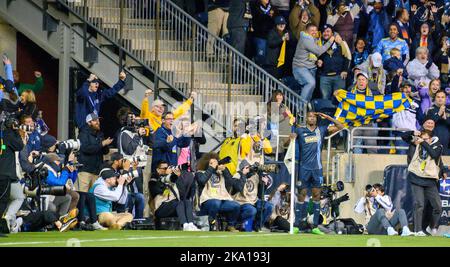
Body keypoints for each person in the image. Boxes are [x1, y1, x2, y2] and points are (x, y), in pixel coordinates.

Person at [292, 111, 343, 235]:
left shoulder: (322, 129)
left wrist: (328, 117)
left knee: (316, 196)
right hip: (303, 168)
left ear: (316, 119)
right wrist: (291, 139)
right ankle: (297, 225)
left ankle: (315, 226)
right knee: (301, 195)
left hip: (317, 169)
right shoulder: (300, 130)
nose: (311, 118)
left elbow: (341, 127)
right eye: (309, 116)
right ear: (306, 118)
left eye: (314, 117)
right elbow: (287, 143)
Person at [76, 113, 111, 231]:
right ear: (89, 122)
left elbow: (104, 151)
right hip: (85, 169)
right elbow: (86, 149)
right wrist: (101, 144)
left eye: (98, 120)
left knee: (91, 197)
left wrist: (105, 145)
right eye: (95, 120)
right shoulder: (83, 134)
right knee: (82, 195)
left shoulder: (99, 134)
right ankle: (80, 221)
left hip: (95, 170)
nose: (98, 122)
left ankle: (93, 221)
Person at [406, 129, 443, 236]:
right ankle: (418, 230)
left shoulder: (438, 145)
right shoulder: (417, 143)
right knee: (419, 205)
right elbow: (404, 137)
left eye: (426, 139)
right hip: (416, 177)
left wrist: (423, 142)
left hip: (430, 179)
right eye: (422, 138)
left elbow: (434, 155)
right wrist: (413, 133)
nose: (423, 140)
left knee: (438, 206)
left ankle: (432, 226)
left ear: (431, 139)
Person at [195, 152, 241, 232]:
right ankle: (211, 223)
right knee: (216, 203)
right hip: (206, 201)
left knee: (236, 205)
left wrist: (225, 170)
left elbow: (231, 183)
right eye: (212, 163)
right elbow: (202, 181)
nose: (216, 164)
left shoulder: (221, 173)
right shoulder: (200, 173)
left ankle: (230, 225)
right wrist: (211, 168)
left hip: (221, 200)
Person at [292, 23, 338, 101]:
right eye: (312, 30)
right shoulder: (306, 39)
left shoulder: (314, 39)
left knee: (310, 89)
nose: (314, 32)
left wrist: (317, 61)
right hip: (301, 67)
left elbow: (311, 54)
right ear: (306, 31)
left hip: (311, 68)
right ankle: (300, 107)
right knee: (311, 83)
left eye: (315, 30)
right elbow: (319, 51)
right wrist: (331, 40)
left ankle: (305, 108)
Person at [149, 160, 199, 231]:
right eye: (165, 168)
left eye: (168, 168)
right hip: (160, 209)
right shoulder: (153, 180)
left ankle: (190, 224)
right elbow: (156, 191)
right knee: (178, 203)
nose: (167, 170)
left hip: (174, 206)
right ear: (158, 170)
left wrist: (178, 177)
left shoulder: (172, 179)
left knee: (186, 202)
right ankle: (184, 225)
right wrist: (166, 177)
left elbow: (182, 195)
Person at [343, 72, 381, 154]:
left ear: (367, 82)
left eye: (363, 80)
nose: (361, 82)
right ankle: (347, 165)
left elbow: (381, 105)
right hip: (354, 123)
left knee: (372, 148)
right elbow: (341, 104)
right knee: (349, 147)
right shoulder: (350, 92)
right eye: (359, 79)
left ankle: (374, 166)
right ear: (356, 81)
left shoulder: (374, 93)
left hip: (368, 123)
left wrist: (379, 116)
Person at [232, 160, 273, 232]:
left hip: (254, 200)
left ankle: (257, 226)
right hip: (241, 201)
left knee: (269, 206)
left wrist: (264, 185)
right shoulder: (237, 175)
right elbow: (239, 188)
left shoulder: (256, 176)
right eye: (248, 167)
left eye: (251, 167)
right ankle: (239, 224)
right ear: (243, 168)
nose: (250, 169)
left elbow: (260, 195)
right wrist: (243, 174)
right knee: (251, 210)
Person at [0, 116, 24, 234]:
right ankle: (5, 220)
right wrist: (17, 132)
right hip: (4, 174)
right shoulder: (9, 135)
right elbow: (20, 146)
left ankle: (7, 220)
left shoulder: (4, 135)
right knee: (2, 200)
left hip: (6, 173)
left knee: (14, 197)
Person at [317, 24, 351, 100]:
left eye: (328, 31)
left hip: (339, 76)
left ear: (332, 33)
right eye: (324, 32)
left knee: (339, 99)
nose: (325, 33)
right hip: (324, 76)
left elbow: (348, 56)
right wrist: (318, 61)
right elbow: (315, 57)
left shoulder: (340, 42)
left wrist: (345, 70)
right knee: (325, 99)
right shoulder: (319, 43)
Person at [44, 153, 80, 218]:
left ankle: (62, 219)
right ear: (51, 162)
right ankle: (55, 221)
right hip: (45, 197)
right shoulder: (46, 171)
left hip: (52, 195)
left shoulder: (54, 170)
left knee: (68, 197)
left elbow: (71, 180)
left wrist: (74, 171)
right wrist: (65, 171)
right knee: (53, 207)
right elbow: (60, 183)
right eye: (57, 161)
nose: (59, 163)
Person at [391, 79, 420, 154]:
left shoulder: (415, 103)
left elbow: (421, 118)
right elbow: (393, 88)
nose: (408, 89)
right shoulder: (396, 100)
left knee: (413, 158)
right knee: (401, 156)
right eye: (405, 87)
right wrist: (397, 77)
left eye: (409, 87)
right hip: (400, 134)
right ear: (401, 89)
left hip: (413, 134)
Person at [250, 0, 275, 66]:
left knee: (267, 59)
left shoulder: (272, 8)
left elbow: (274, 20)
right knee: (260, 57)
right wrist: (267, 17)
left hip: (269, 37)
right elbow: (256, 19)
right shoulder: (255, 6)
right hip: (259, 36)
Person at [426, 90, 450, 155]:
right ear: (435, 98)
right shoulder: (430, 110)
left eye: (442, 97)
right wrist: (439, 114)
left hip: (447, 144)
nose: (440, 99)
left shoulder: (449, 111)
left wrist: (446, 119)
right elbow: (427, 125)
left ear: (446, 99)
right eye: (438, 97)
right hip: (434, 142)